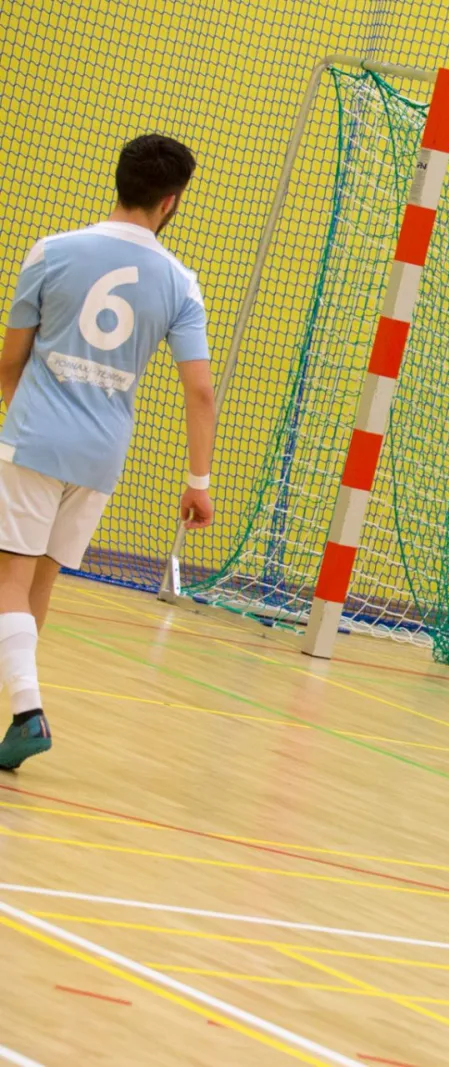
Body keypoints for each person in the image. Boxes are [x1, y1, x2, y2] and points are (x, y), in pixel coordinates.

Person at [0, 134, 216, 771]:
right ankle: (16, 714)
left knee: (8, 580)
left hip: (34, 440)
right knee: (39, 584)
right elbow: (200, 391)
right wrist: (198, 481)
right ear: (171, 201)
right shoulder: (181, 283)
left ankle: (28, 709)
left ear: (118, 182)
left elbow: (10, 361)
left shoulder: (52, 251)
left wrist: (20, 416)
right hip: (101, 457)